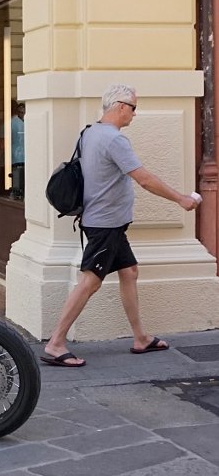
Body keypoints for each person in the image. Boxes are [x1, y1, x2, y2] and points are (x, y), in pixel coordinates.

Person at [41, 84, 201, 368]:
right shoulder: (115, 140)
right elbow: (145, 179)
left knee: (129, 271)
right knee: (90, 281)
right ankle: (55, 343)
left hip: (106, 222)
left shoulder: (90, 132)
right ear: (120, 106)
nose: (135, 114)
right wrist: (181, 199)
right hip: (105, 224)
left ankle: (140, 337)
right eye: (134, 108)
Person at [10, 101, 25, 199]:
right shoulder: (18, 123)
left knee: (17, 175)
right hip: (21, 155)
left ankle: (17, 193)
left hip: (17, 155)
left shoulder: (13, 122)